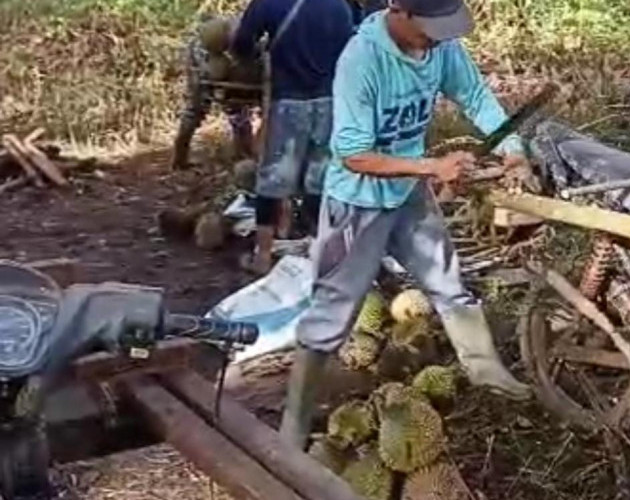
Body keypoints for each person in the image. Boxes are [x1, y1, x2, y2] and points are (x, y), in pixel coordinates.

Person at [280, 0, 532, 449]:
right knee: (331, 311)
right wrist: (431, 167)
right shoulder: (362, 60)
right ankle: (294, 422)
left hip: (408, 194)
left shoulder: (441, 48)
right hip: (356, 204)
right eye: (430, 27)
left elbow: (473, 94)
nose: (437, 37)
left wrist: (511, 144)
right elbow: (353, 154)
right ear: (400, 10)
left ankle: (486, 372)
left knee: (447, 280)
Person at [231, 0, 356, 275]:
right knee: (319, 180)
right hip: (330, 100)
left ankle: (263, 256)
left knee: (273, 178)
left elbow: (241, 44)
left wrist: (259, 54)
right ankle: (322, 254)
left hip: (288, 101)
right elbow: (351, 48)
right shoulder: (340, 6)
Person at [172, 16, 262, 170]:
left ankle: (243, 155)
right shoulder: (216, 43)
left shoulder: (244, 35)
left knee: (234, 111)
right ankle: (180, 158)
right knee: (198, 110)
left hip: (234, 70)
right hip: (224, 67)